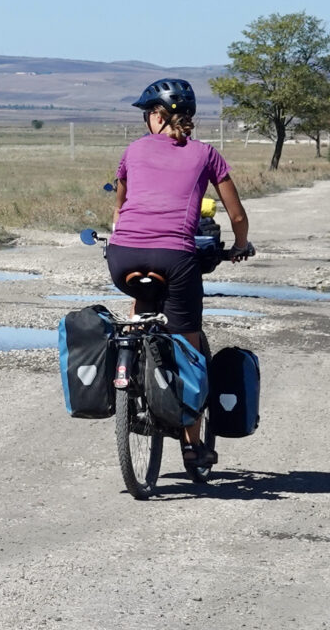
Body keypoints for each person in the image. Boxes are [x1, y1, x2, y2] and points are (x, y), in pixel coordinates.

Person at [107, 77, 252, 470]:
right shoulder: (206, 154)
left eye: (147, 114)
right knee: (189, 352)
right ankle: (192, 448)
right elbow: (237, 215)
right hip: (176, 259)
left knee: (141, 312)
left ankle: (133, 376)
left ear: (156, 116)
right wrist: (240, 246)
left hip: (122, 258)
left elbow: (119, 208)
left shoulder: (132, 150)